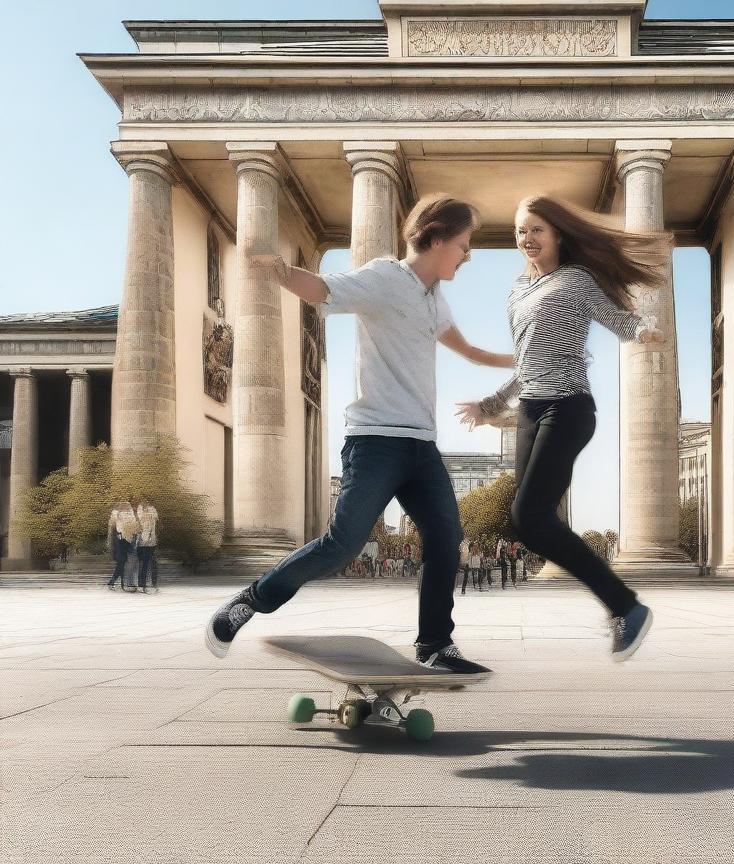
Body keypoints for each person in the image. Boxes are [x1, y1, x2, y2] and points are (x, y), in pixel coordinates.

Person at [205, 195, 514, 675]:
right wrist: (283, 272)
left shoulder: (436, 298)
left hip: (421, 447)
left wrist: (523, 359)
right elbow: (325, 288)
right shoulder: (386, 277)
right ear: (434, 239)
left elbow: (470, 351)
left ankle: (435, 644)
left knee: (445, 538)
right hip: (375, 441)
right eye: (462, 244)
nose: (467, 254)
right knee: (343, 544)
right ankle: (251, 600)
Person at [457, 195, 669, 662]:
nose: (526, 239)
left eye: (536, 230)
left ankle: (625, 606)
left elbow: (617, 319)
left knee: (530, 514)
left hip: (569, 408)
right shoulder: (516, 291)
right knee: (526, 520)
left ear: (556, 235)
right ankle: (622, 605)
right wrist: (490, 404)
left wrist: (643, 331)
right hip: (531, 409)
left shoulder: (576, 280)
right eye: (519, 231)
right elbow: (526, 362)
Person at [106, 500, 136, 591]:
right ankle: (117, 582)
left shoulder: (126, 514)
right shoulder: (118, 514)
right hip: (122, 540)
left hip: (126, 540)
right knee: (122, 563)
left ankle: (119, 582)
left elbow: (133, 526)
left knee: (124, 563)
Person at [136, 499, 160, 593]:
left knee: (152, 563)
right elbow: (141, 519)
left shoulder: (152, 511)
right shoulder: (141, 512)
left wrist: (151, 511)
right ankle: (142, 584)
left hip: (151, 543)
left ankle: (151, 584)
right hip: (143, 543)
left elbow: (156, 519)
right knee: (144, 564)